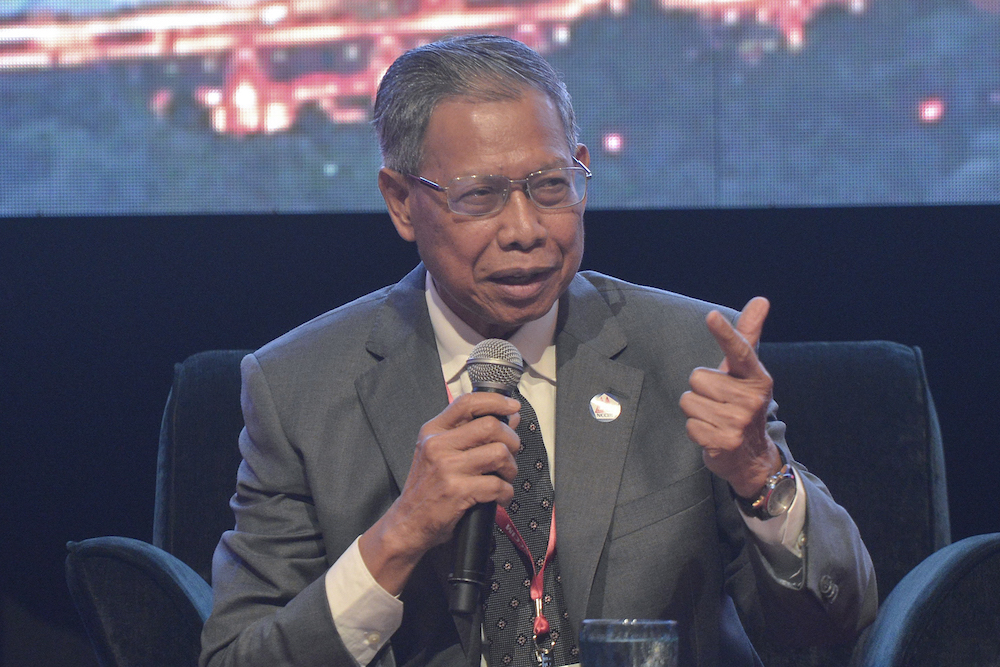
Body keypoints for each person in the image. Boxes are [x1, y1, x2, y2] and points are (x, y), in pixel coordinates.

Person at [200, 34, 876, 667]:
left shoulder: (688, 355)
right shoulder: (299, 387)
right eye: (480, 196)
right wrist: (398, 535)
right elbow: (239, 653)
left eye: (551, 186)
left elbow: (830, 630)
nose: (525, 230)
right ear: (402, 202)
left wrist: (761, 475)